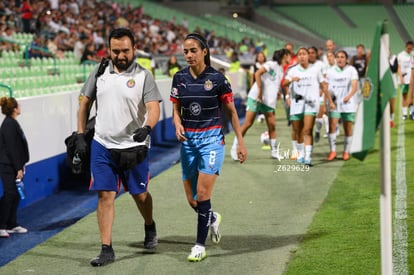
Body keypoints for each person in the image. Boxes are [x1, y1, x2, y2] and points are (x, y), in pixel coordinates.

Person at [76, 28, 162, 266]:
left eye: (125, 50)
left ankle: (149, 225)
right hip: (102, 144)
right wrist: (81, 134)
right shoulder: (100, 71)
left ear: (134, 49)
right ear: (109, 50)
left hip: (134, 146)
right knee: (105, 195)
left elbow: (154, 107)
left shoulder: (145, 76)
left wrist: (148, 127)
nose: (121, 55)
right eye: (116, 51)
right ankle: (106, 248)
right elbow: (84, 103)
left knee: (140, 195)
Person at [170, 32, 247, 262]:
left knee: (203, 194)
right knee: (193, 200)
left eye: (193, 50)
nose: (189, 55)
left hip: (212, 141)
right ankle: (212, 218)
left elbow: (232, 112)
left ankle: (199, 245)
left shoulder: (218, 79)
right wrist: (176, 122)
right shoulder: (179, 78)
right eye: (186, 51)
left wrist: (240, 141)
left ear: (204, 52)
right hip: (188, 143)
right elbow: (175, 108)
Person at [230, 49, 291, 160]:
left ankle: (274, 152)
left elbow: (272, 83)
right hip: (256, 97)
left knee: (272, 126)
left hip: (268, 101)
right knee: (248, 123)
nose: (290, 58)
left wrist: (277, 93)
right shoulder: (271, 64)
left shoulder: (281, 70)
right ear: (284, 56)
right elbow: (258, 74)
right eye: (288, 56)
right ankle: (235, 147)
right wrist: (259, 92)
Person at [284, 47, 333, 165]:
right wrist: (291, 81)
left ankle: (308, 156)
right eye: (299, 54)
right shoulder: (293, 71)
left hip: (310, 104)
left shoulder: (315, 70)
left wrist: (329, 101)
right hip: (296, 104)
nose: (302, 56)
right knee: (297, 130)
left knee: (307, 129)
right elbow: (284, 83)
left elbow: (324, 85)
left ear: (308, 56)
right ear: (297, 57)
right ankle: (300, 153)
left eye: (304, 54)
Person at [0, 97, 29, 238]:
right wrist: (18, 167)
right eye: (18, 105)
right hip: (7, 166)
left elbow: (18, 147)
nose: (20, 107)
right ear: (14, 109)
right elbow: (12, 148)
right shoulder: (9, 125)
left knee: (15, 195)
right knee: (10, 194)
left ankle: (11, 224)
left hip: (14, 165)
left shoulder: (12, 123)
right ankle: (1, 225)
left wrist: (21, 164)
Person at [325, 50, 359, 161]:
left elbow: (354, 86)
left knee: (348, 128)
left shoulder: (351, 70)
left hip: (348, 104)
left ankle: (346, 152)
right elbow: (325, 88)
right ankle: (333, 151)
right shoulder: (330, 71)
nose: (340, 59)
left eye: (342, 57)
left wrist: (349, 96)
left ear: (346, 59)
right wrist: (330, 101)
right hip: (334, 104)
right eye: (338, 57)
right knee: (332, 126)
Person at [397, 40, 413, 120]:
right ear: (406, 46)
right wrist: (400, 77)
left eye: (411, 48)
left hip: (412, 79)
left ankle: (411, 112)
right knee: (404, 96)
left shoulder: (413, 55)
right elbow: (398, 67)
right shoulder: (400, 55)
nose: (410, 50)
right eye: (408, 48)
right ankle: (404, 114)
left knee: (412, 96)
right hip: (404, 79)